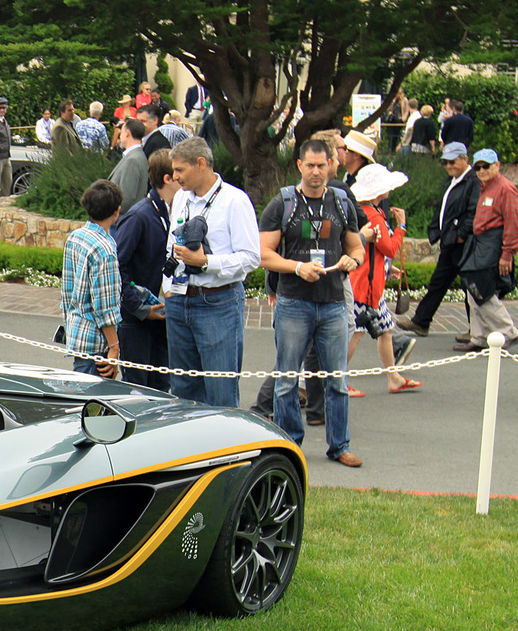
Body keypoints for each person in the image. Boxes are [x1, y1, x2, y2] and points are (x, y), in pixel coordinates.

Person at [258, 139, 365, 467]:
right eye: (311, 165)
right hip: (293, 303)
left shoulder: (342, 202)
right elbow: (263, 255)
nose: (317, 171)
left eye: (323, 165)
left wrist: (353, 261)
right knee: (287, 379)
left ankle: (339, 446)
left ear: (332, 164)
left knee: (337, 381)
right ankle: (291, 445)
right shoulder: (283, 203)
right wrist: (297, 267)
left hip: (332, 303)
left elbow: (357, 248)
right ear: (300, 166)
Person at [164, 136, 261, 408]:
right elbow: (172, 243)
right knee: (183, 389)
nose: (174, 176)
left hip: (218, 302)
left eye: (180, 170)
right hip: (180, 299)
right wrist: (168, 286)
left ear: (201, 164)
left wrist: (206, 262)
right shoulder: (181, 197)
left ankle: (225, 449)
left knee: (220, 391)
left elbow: (252, 257)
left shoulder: (235, 201)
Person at [348, 164, 423, 393]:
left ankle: (394, 377)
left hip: (367, 281)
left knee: (385, 329)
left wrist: (387, 270)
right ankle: (336, 379)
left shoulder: (363, 211)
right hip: (366, 285)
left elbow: (377, 252)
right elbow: (390, 248)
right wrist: (401, 227)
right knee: (357, 332)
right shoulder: (375, 215)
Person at [110, 149, 177, 390]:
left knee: (162, 386)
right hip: (137, 321)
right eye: (179, 173)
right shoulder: (139, 216)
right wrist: (139, 308)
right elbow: (117, 267)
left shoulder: (173, 213)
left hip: (162, 316)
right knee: (138, 389)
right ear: (167, 178)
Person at [398, 142, 479, 338]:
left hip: (463, 243)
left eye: (452, 161)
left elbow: (473, 211)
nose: (449, 166)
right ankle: (421, 321)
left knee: (470, 286)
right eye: (445, 162)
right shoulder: (452, 181)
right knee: (439, 282)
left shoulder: (472, 181)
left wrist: (461, 235)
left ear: (464, 159)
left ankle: (476, 330)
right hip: (450, 241)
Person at [455, 148, 518, 351]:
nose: (482, 170)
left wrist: (507, 254)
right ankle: (480, 336)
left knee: (481, 288)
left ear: (497, 166)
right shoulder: (485, 187)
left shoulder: (506, 189)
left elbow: (513, 224)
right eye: (478, 167)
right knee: (472, 287)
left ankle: (508, 331)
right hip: (481, 242)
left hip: (493, 243)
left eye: (486, 166)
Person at [61, 180, 125, 377]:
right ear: (117, 211)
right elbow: (105, 306)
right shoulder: (105, 249)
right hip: (97, 344)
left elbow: (67, 288)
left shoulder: (76, 236)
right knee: (91, 403)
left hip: (77, 334)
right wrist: (114, 346)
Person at [108, 118, 149, 212]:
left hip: (121, 219)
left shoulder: (133, 159)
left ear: (127, 133)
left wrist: (110, 215)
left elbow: (127, 197)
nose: (120, 136)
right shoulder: (135, 156)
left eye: (121, 132)